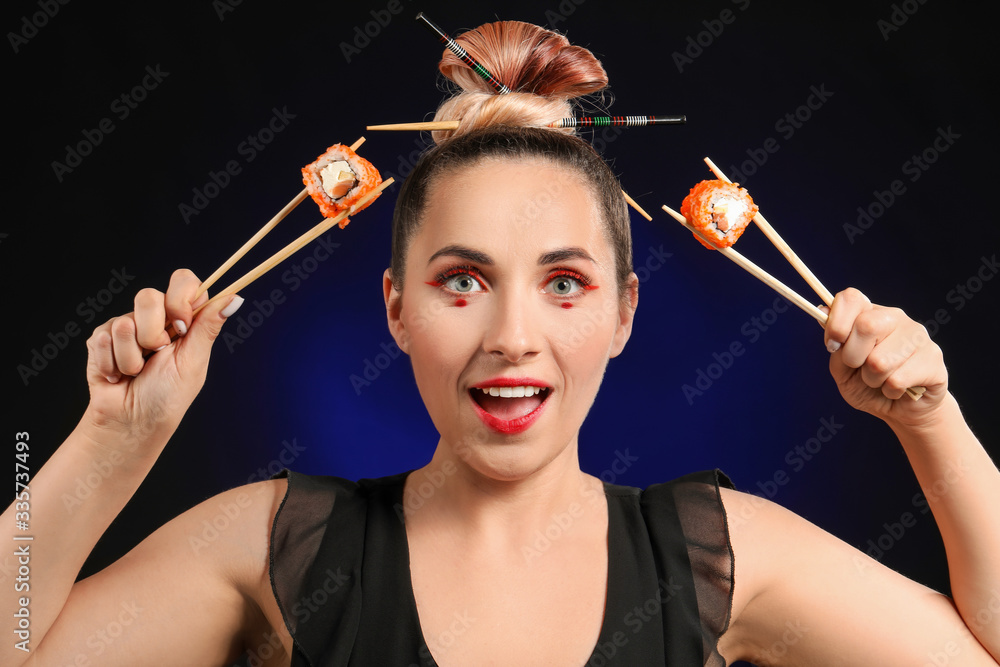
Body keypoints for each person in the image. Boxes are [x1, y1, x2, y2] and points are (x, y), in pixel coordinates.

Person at [4, 19, 998, 667]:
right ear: (396, 309)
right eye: (462, 281)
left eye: (563, 283)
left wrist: (928, 419)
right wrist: (115, 439)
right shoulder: (276, 546)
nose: (511, 338)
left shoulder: (717, 551)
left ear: (624, 313)